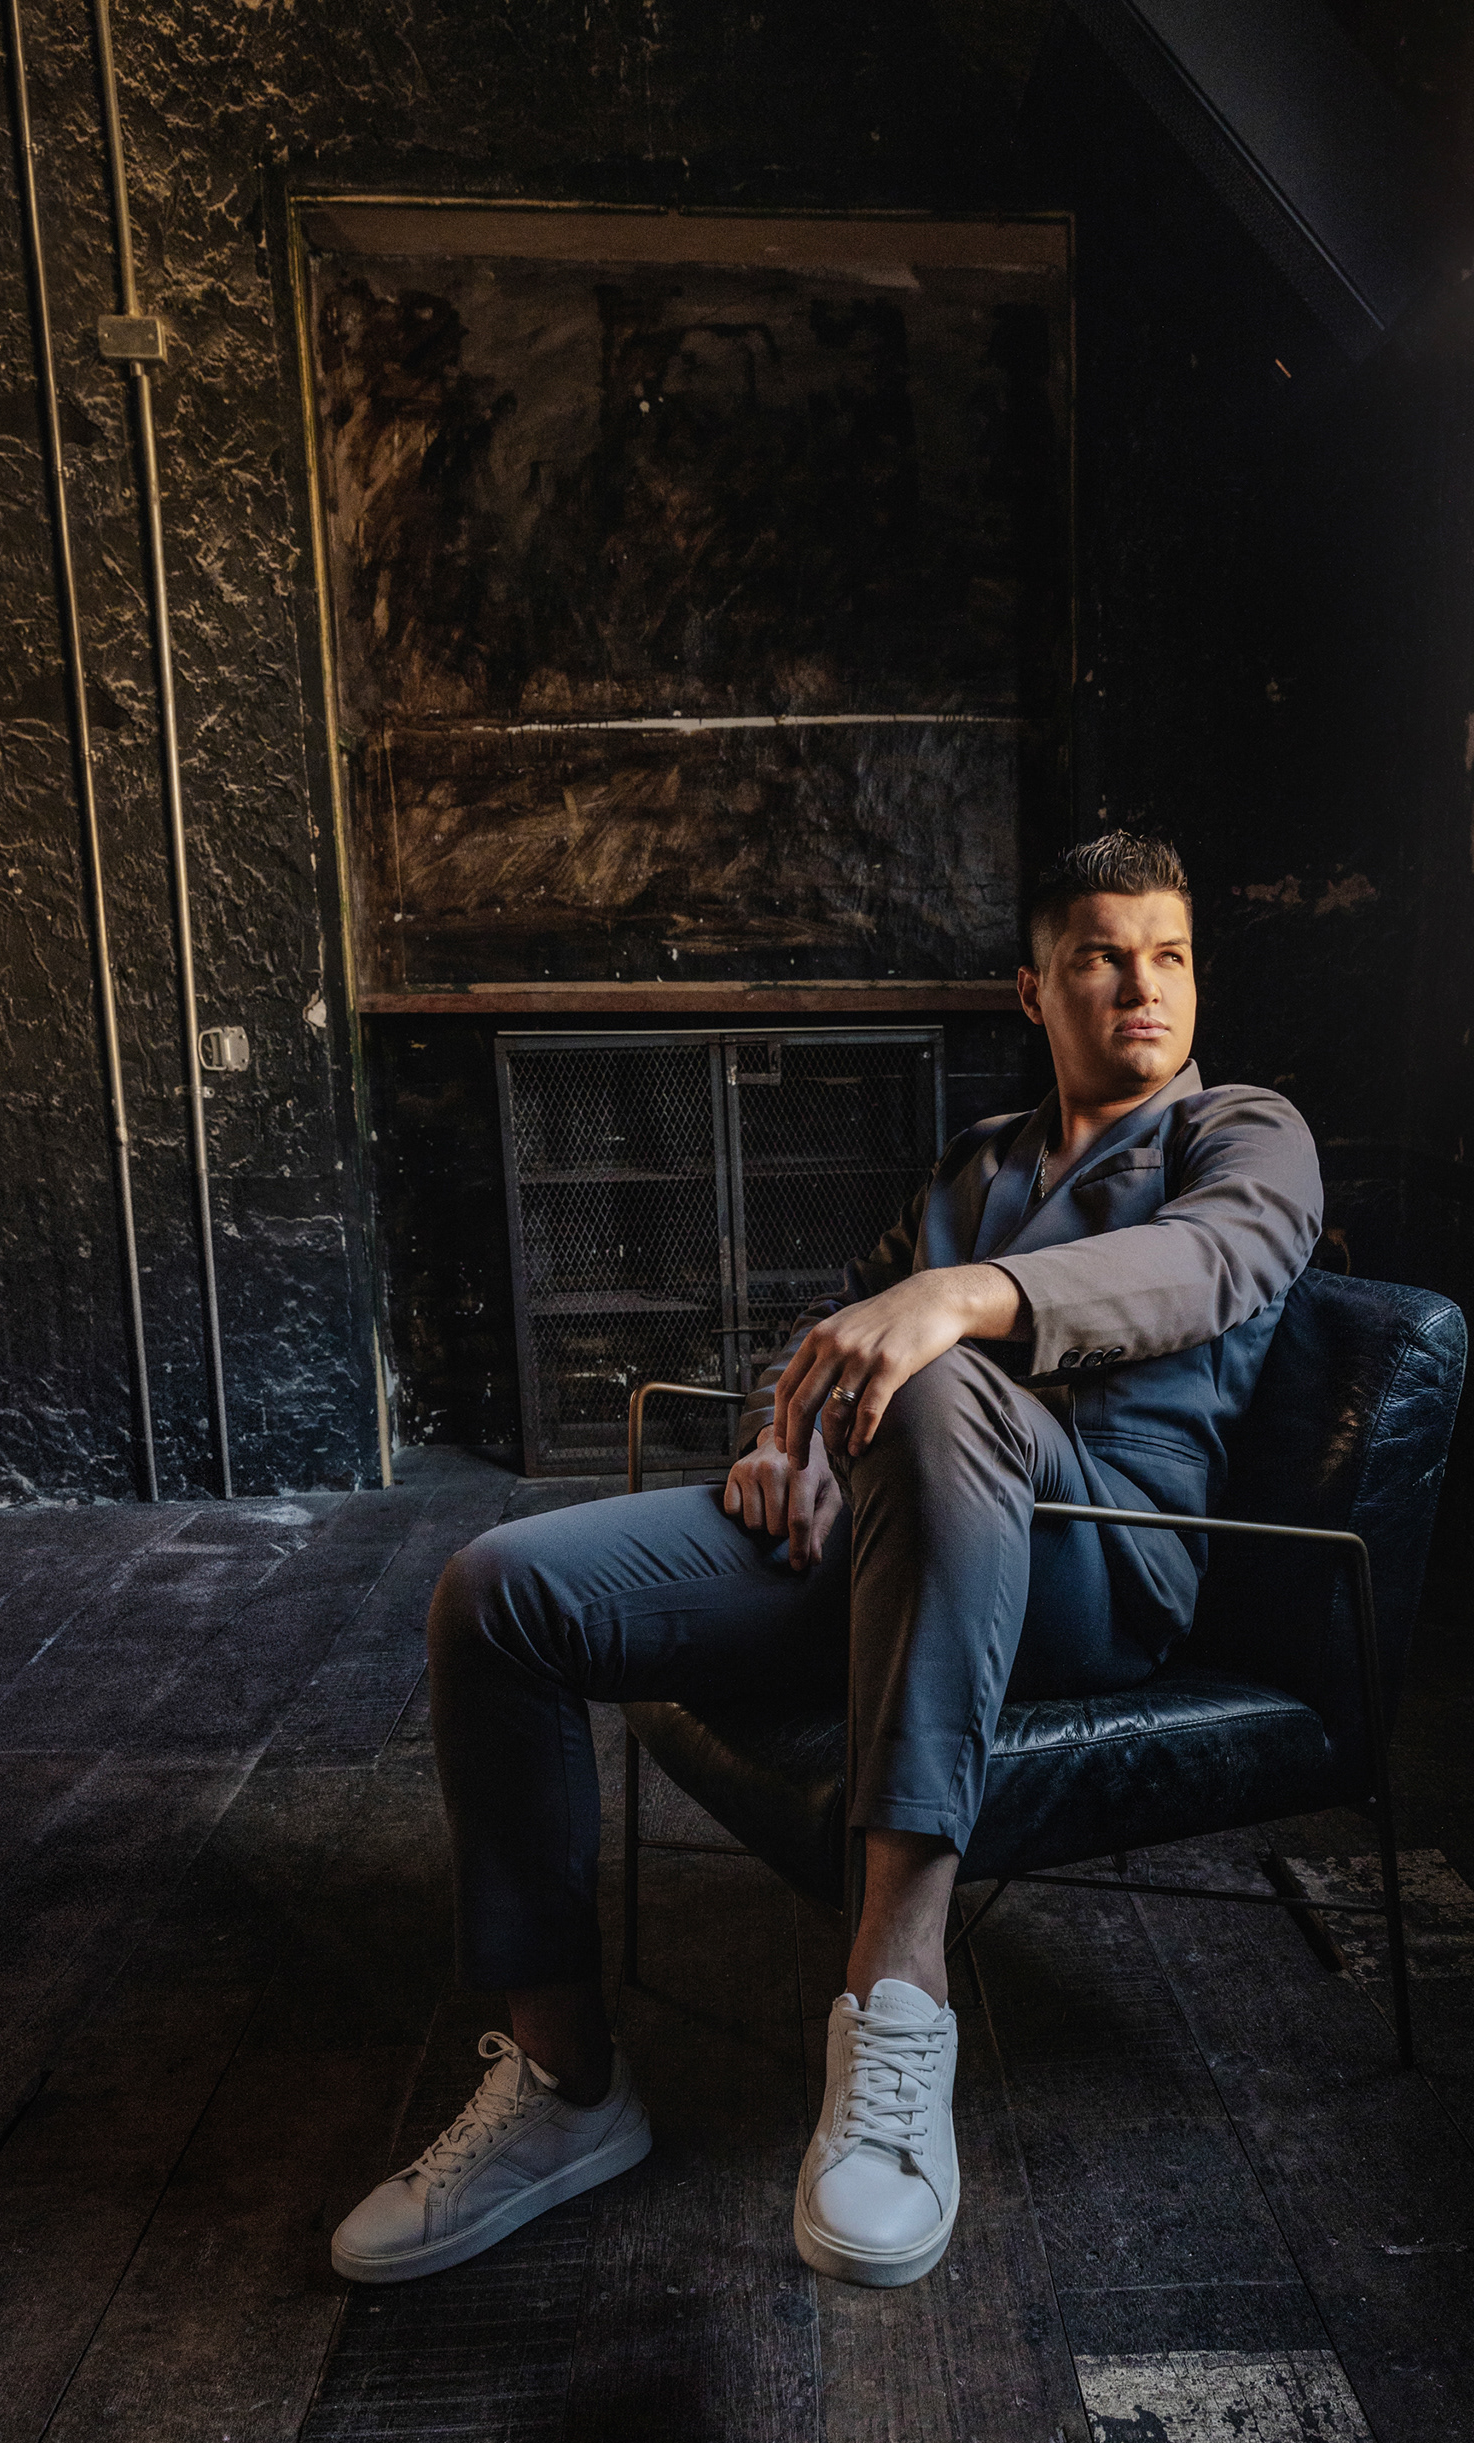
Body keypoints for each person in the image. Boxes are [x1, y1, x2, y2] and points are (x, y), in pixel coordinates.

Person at [331, 831, 1322, 2293]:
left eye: (1169, 957)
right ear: (1034, 990)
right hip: (888, 1540)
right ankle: (565, 2089)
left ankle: (898, 1995)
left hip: (1096, 1565)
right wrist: (781, 1438)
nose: (1143, 988)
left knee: (939, 1377)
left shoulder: (1241, 1135)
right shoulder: (976, 1165)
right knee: (502, 1594)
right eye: (1102, 958)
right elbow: (838, 1333)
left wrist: (959, 1300)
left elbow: (1210, 1266)